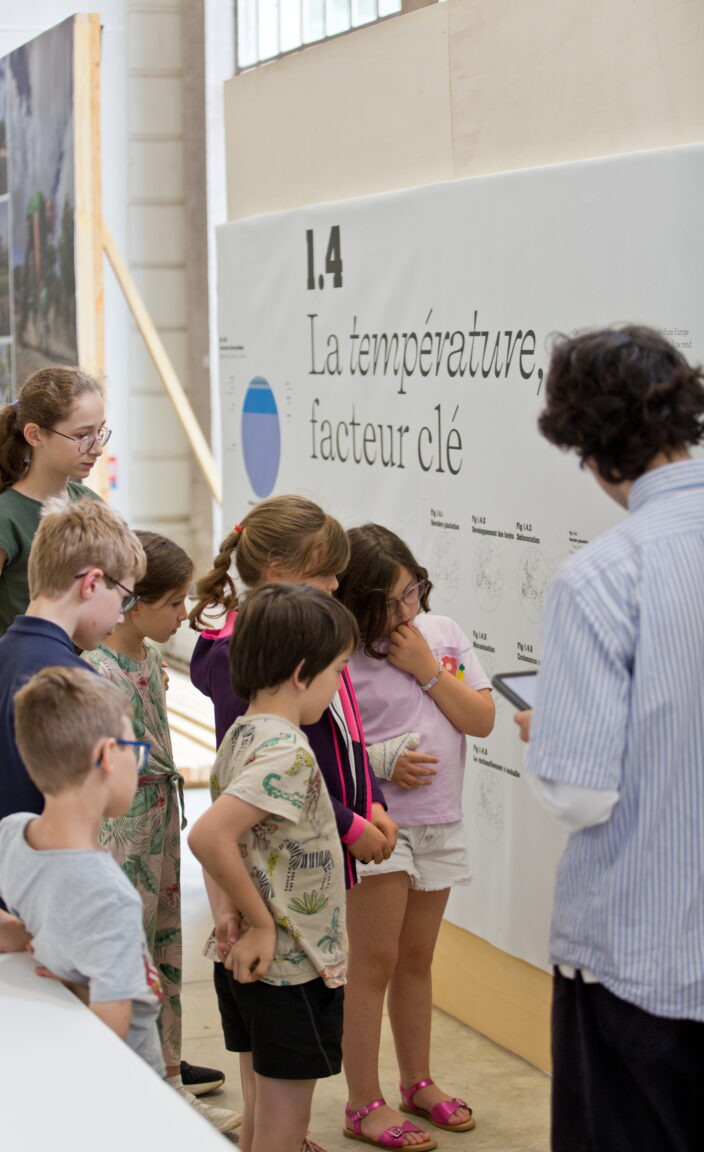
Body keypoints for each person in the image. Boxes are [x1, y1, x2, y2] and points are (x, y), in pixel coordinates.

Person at [519, 326, 704, 1151]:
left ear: (591, 450)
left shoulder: (602, 578)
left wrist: (547, 731)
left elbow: (580, 790)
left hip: (644, 954)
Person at [188, 583, 360, 1152]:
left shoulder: (242, 734)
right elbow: (210, 835)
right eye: (337, 673)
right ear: (302, 672)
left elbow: (227, 843)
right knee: (283, 1131)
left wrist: (227, 913)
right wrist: (260, 923)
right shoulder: (287, 750)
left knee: (260, 1123)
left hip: (249, 962)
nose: (336, 688)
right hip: (288, 965)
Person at [336, 525, 494, 1145]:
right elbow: (329, 746)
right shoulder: (341, 652)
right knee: (372, 961)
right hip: (378, 825)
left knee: (417, 959)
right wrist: (380, 763)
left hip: (439, 822)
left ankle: (418, 1082)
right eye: (391, 602)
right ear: (357, 602)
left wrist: (428, 670)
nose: (408, 611)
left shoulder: (443, 634)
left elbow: (479, 719)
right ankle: (362, 1101)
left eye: (413, 593)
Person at [0, 667, 168, 1077]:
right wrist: (78, 986)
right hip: (125, 1088)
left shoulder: (12, 835)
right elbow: (110, 1034)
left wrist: (34, 941)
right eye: (133, 746)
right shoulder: (108, 894)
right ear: (105, 757)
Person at [82, 531, 231, 1107]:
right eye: (173, 603)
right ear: (133, 602)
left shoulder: (146, 657)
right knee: (130, 944)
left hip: (161, 820)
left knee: (165, 939)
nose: (183, 615)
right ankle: (130, 1070)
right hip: (121, 826)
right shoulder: (94, 668)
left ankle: (167, 1064)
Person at [189, 494, 396, 888]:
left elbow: (349, 732)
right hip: (279, 859)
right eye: (324, 573)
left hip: (323, 839)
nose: (335, 584)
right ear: (277, 571)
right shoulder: (237, 654)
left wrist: (370, 800)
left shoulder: (320, 636)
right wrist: (350, 826)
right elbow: (261, 773)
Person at [0, 497, 144, 881]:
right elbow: (118, 800)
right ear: (91, 583)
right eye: (123, 598)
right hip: (36, 893)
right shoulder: (74, 680)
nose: (121, 617)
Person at [0, 365, 109, 669]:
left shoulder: (92, 505)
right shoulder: (1, 519)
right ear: (35, 435)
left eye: (100, 432)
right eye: (83, 435)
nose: (97, 448)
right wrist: (26, 670)